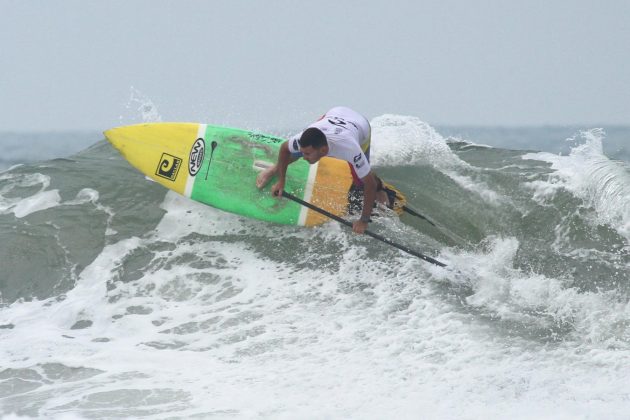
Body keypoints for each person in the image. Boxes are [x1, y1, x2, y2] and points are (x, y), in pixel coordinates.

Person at [256, 106, 390, 234]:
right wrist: (281, 181)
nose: (304, 157)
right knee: (297, 151)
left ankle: (381, 188)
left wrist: (363, 220)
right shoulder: (304, 138)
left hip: (360, 126)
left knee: (361, 181)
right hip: (334, 114)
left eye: (307, 154)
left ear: (324, 150)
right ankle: (274, 169)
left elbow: (369, 184)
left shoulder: (350, 149)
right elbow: (285, 148)